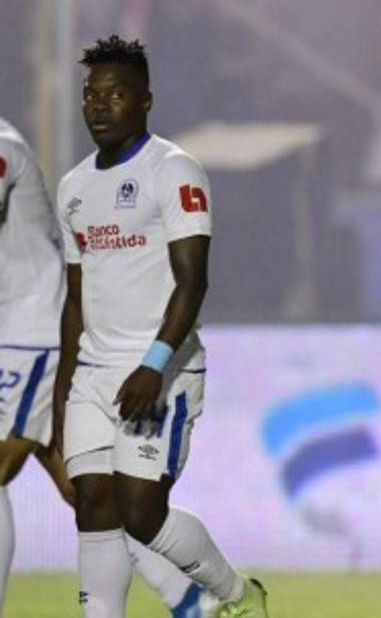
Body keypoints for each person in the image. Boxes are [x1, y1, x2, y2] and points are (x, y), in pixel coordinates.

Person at [50, 36, 268, 617]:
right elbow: (76, 299)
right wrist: (62, 390)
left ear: (145, 100)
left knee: (141, 512)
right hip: (93, 373)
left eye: (115, 94)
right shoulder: (73, 188)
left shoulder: (172, 170)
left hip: (160, 368)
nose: (99, 106)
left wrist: (153, 365)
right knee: (92, 505)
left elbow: (193, 281)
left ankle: (238, 597)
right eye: (91, 95)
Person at [0, 116, 217, 618]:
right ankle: (190, 599)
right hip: (19, 333)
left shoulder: (3, 145)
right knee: (90, 494)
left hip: (29, 331)